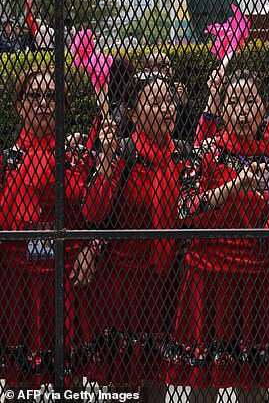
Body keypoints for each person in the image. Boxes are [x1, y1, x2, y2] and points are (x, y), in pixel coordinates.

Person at [165, 70, 269, 403]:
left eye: (251, 102)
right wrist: (237, 185)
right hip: (208, 275)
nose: (244, 110)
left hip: (254, 277)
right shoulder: (205, 151)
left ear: (266, 109)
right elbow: (186, 208)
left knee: (254, 387)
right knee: (203, 384)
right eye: (234, 102)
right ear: (221, 111)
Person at [81, 72, 187, 401]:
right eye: (155, 102)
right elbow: (94, 213)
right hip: (123, 285)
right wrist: (108, 163)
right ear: (134, 113)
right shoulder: (124, 153)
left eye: (169, 100)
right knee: (124, 380)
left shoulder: (183, 156)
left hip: (166, 285)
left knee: (158, 377)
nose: (165, 108)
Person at [0, 67, 96, 388]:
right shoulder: (6, 161)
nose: (43, 103)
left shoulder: (77, 157)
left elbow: (98, 215)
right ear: (18, 105)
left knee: (69, 383)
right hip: (19, 285)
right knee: (19, 383)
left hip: (67, 279)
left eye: (51, 97)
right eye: (34, 96)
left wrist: (91, 248)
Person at [143, 52, 194, 140]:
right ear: (147, 71)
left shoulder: (175, 90)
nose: (167, 69)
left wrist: (183, 104)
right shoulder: (141, 92)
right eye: (161, 66)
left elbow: (188, 131)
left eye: (169, 65)